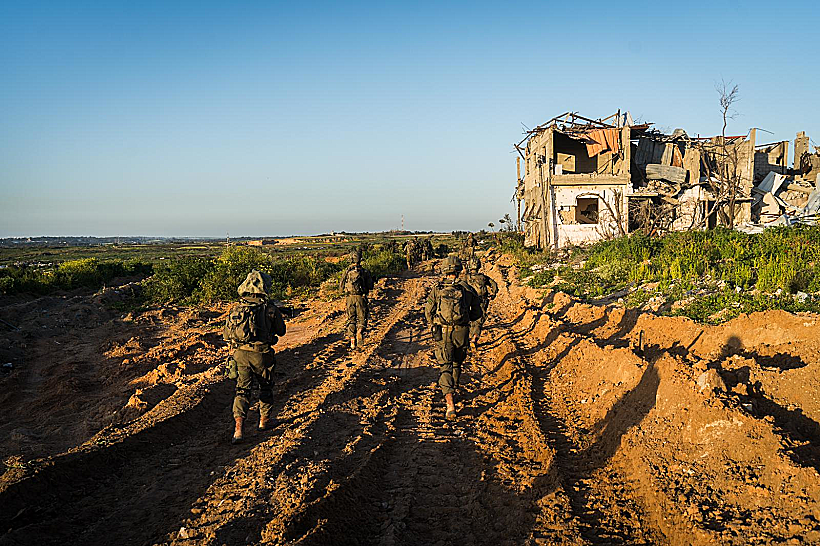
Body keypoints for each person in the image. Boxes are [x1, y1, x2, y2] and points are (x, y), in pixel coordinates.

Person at [223, 270, 286, 444]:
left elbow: (227, 335)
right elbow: (282, 331)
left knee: (242, 390)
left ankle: (238, 430)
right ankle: (264, 421)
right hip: (261, 355)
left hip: (240, 355)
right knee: (265, 387)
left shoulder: (236, 308)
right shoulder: (269, 308)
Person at [424, 255, 482, 420]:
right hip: (461, 332)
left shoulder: (437, 288)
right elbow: (477, 314)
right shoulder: (468, 288)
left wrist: (434, 323)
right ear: (459, 270)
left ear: (444, 270)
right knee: (457, 363)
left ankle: (449, 403)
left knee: (445, 366)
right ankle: (454, 389)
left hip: (443, 331)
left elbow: (428, 311)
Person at [339, 250, 374, 350]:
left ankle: (352, 340)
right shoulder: (364, 272)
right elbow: (370, 286)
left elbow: (341, 287)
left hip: (349, 298)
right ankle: (359, 332)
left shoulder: (346, 271)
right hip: (360, 297)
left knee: (351, 318)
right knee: (362, 318)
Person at [462, 256, 498, 347]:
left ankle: (467, 337)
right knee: (479, 318)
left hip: (469, 299)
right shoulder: (483, 277)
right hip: (482, 299)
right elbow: (494, 284)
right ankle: (474, 337)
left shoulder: (466, 277)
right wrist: (493, 295)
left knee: (467, 317)